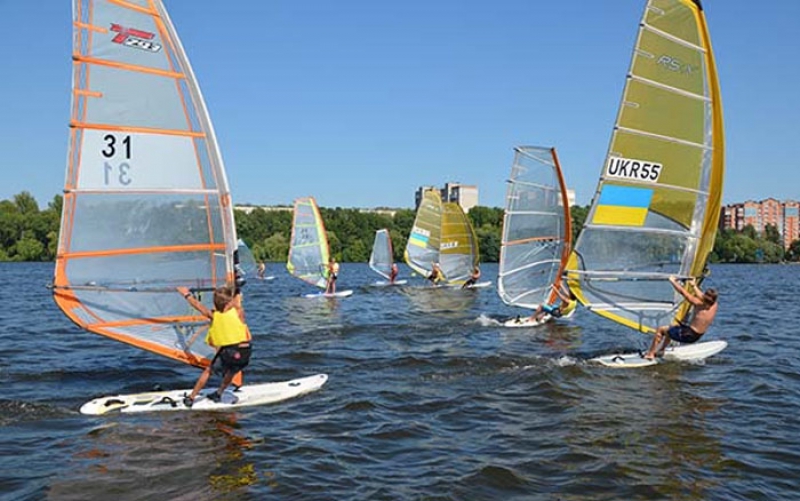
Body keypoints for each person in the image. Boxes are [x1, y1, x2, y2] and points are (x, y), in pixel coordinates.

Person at [177, 284, 252, 407]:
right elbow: (237, 301)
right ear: (230, 303)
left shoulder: (213, 315)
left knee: (208, 371)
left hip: (230, 351)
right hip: (246, 351)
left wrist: (186, 294)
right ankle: (219, 393)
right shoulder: (238, 312)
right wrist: (236, 287)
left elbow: (197, 305)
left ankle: (191, 398)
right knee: (232, 371)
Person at [644, 276, 718, 360]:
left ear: (704, 298)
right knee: (670, 328)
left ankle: (650, 354)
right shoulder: (714, 305)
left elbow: (683, 292)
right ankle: (661, 350)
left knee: (660, 330)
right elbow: (702, 296)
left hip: (688, 334)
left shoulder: (698, 304)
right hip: (697, 335)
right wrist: (693, 286)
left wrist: (672, 281)